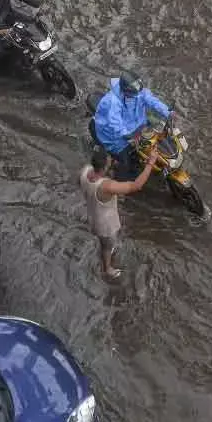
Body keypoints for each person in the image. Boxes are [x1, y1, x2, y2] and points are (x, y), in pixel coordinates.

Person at [80, 146, 160, 279]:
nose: (112, 161)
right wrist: (150, 163)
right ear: (105, 168)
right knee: (107, 246)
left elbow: (81, 183)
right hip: (106, 226)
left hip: (93, 216)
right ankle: (108, 269)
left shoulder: (84, 171)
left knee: (104, 242)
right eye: (110, 161)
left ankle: (107, 250)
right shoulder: (107, 186)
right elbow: (136, 186)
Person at [92, 71, 172, 178]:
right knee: (127, 167)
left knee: (159, 136)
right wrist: (128, 136)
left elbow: (152, 101)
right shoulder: (112, 102)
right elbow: (116, 125)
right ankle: (120, 180)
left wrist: (168, 112)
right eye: (136, 93)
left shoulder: (138, 90)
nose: (139, 94)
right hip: (115, 137)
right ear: (126, 91)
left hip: (137, 125)